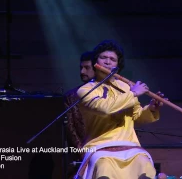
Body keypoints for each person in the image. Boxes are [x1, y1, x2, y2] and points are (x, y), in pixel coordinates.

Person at [75, 40, 167, 179]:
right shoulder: (85, 90)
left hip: (129, 145)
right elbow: (105, 108)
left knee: (144, 164)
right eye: (103, 58)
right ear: (95, 61)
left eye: (112, 59)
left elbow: (136, 116)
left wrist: (152, 109)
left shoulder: (125, 87)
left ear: (117, 65)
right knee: (104, 166)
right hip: (100, 146)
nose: (107, 62)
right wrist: (133, 93)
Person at [64, 51, 96, 178]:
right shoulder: (71, 96)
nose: (82, 72)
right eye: (81, 68)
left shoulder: (108, 95)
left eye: (87, 68)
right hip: (81, 157)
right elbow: (70, 129)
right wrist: (83, 153)